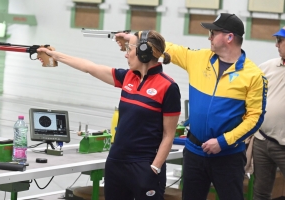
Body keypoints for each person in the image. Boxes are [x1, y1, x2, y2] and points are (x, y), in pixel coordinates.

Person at [115, 13, 267, 200]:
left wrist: (222, 142)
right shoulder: (199, 59)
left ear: (229, 37)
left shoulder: (253, 75)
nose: (209, 37)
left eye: (213, 32)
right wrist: (134, 37)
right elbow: (164, 47)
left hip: (228, 157)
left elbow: (255, 118)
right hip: (194, 154)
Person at [37, 30, 181, 200]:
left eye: (130, 48)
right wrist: (54, 55)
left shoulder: (168, 87)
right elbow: (89, 67)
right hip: (116, 163)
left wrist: (155, 168)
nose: (126, 54)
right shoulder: (128, 77)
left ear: (144, 52)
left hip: (144, 165)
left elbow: (168, 135)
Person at [252, 27, 285, 200]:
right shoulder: (267, 67)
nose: (276, 45)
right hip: (262, 139)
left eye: (280, 41)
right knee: (260, 192)